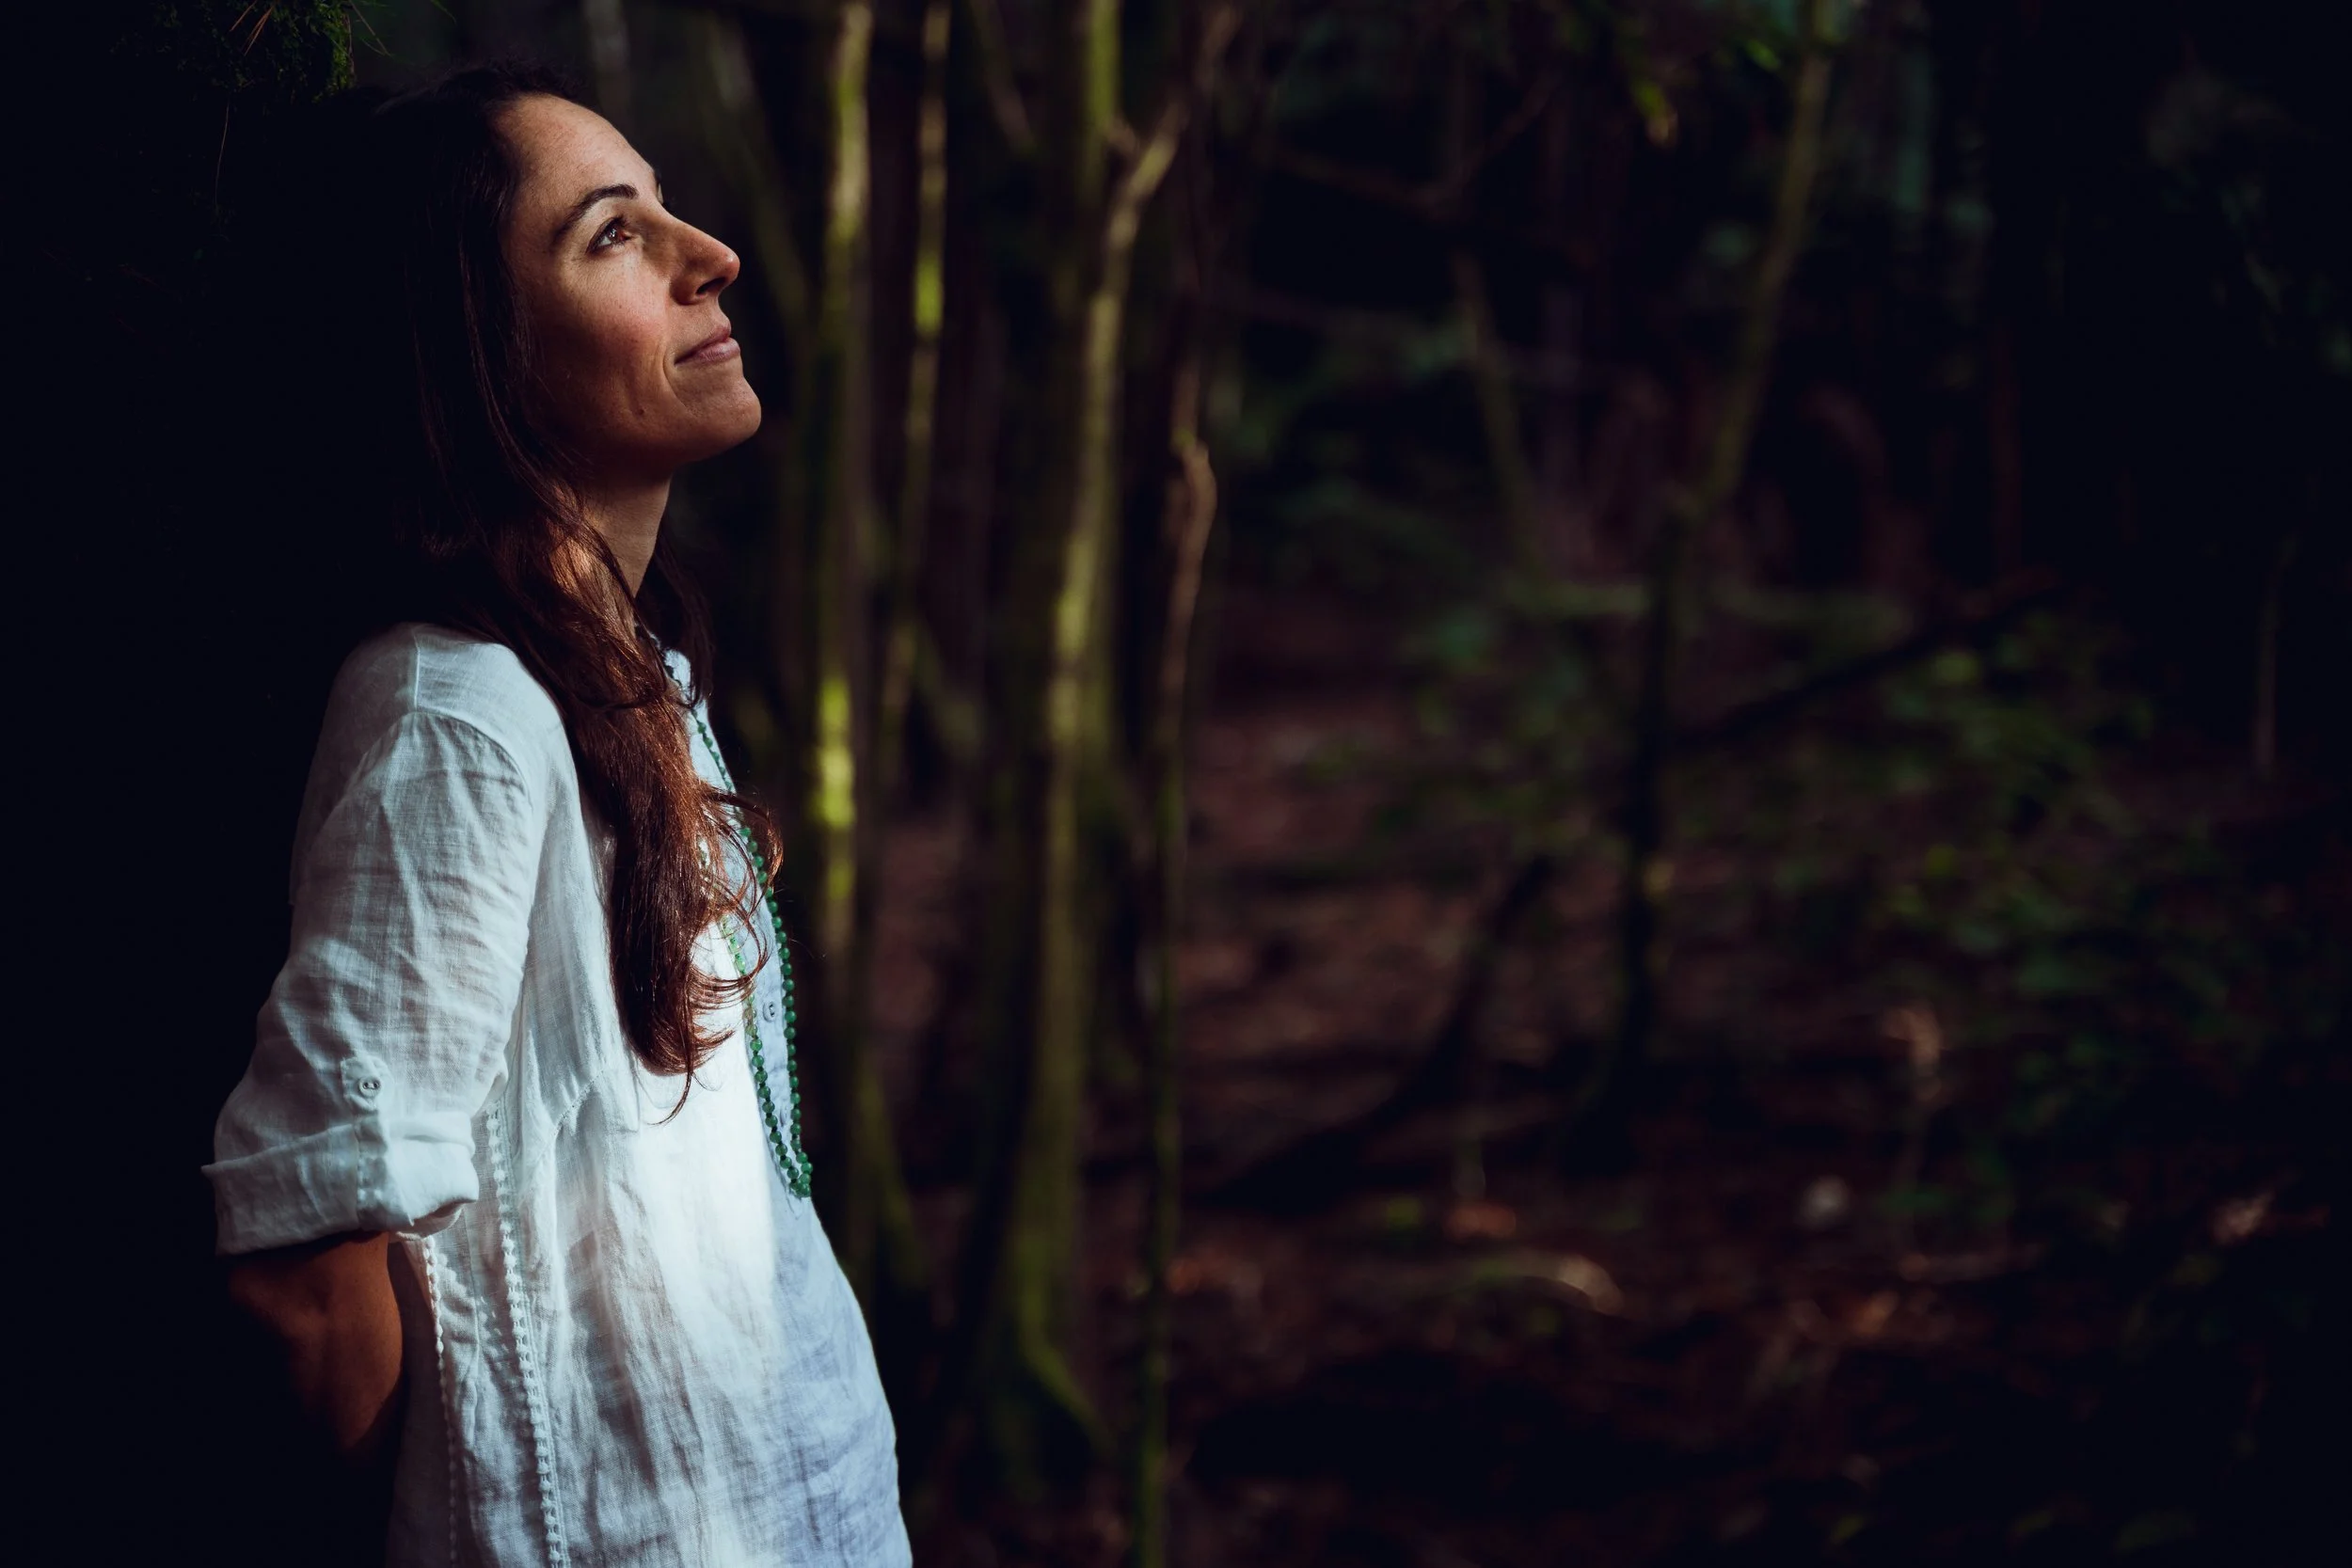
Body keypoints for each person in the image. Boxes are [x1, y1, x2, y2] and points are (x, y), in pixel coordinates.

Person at [205, 65, 910, 1567]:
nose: (704, 252)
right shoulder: (451, 711)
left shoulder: (633, 679)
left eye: (664, 208)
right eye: (612, 236)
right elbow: (308, 1263)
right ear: (474, 353)